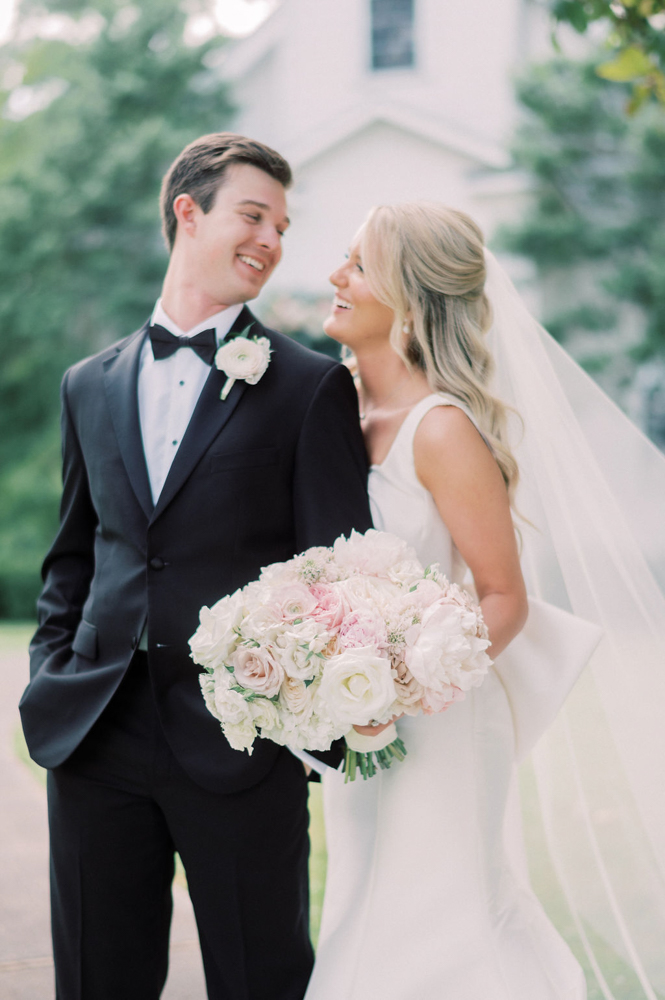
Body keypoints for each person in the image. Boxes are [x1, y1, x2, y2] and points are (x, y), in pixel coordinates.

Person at [19, 132, 372, 1000]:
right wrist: (52, 675)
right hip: (95, 735)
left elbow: (338, 573)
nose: (271, 240)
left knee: (260, 981)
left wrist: (303, 738)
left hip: (241, 744)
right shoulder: (86, 384)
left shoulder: (308, 386)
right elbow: (71, 556)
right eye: (253, 215)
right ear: (188, 211)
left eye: (282, 226)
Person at [305, 201, 665, 999]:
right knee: (365, 910)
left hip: (438, 721)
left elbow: (504, 597)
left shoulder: (440, 430)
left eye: (357, 264)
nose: (335, 276)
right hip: (358, 722)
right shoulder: (338, 413)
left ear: (408, 300)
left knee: (443, 921)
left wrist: (394, 689)